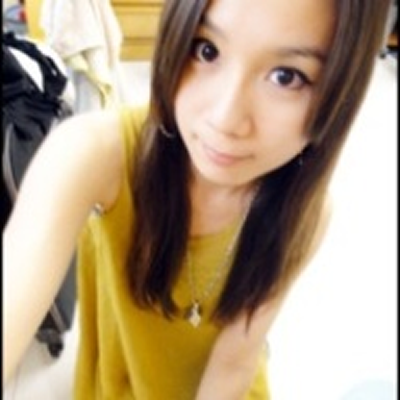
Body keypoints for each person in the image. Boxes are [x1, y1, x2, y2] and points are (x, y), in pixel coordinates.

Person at [3, 0, 390, 398]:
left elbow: (234, 362)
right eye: (207, 50)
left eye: (286, 76)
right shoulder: (96, 154)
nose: (225, 120)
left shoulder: (306, 211)